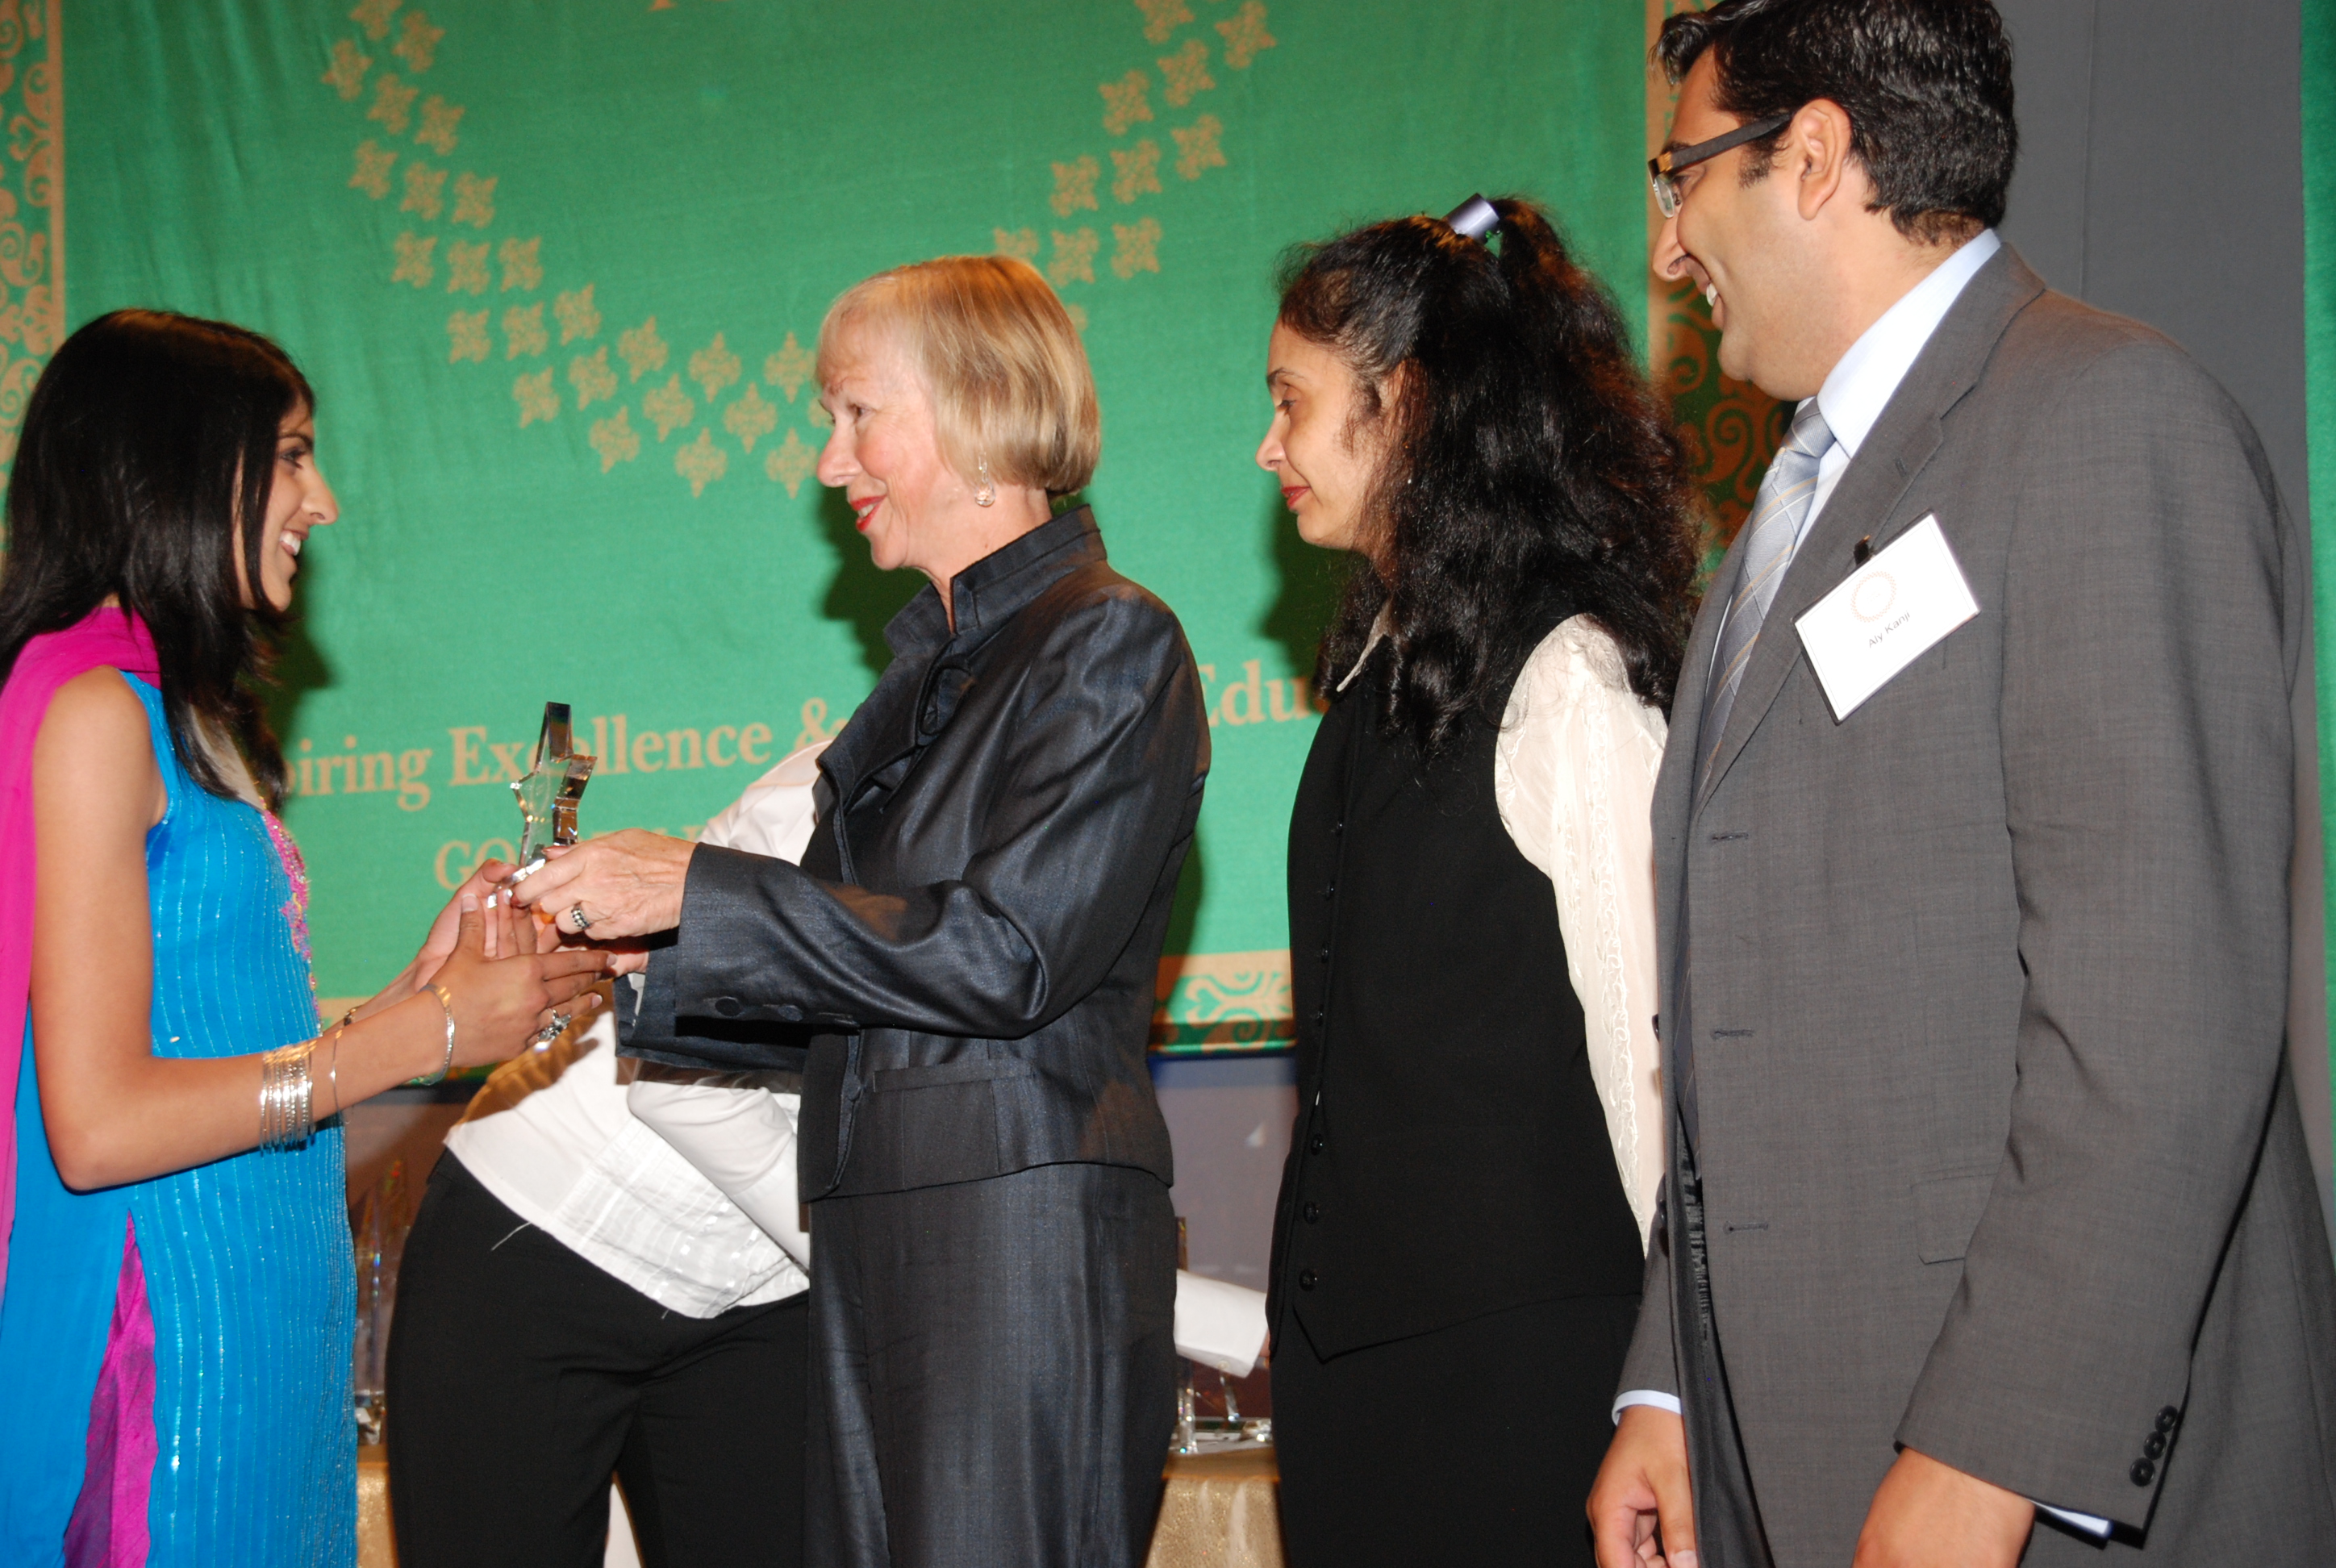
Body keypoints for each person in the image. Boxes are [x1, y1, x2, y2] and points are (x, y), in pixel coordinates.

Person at [1587, 4, 2336, 1566]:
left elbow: (2160, 1020)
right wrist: (1667, 1376)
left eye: (1681, 177)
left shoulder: (2102, 421)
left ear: (1809, 158)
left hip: (2009, 1480)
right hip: (1784, 1447)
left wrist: (1991, 1452)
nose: (1667, 252)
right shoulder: (1790, 514)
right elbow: (1731, 1022)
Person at [502, 253, 1210, 1568]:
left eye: (855, 413)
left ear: (981, 405)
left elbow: (1006, 955)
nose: (832, 463)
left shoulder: (1107, 641)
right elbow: (865, 1004)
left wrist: (698, 886)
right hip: (875, 1245)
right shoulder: (929, 673)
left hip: (1014, 1248)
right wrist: (643, 965)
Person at [0, 309, 603, 1565]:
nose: (320, 501)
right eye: (290, 454)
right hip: (170, 1397)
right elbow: (101, 1129)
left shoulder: (180, 723)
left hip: (266, 1377)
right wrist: (418, 1030)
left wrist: (426, 1019)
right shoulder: (90, 714)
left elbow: (261, 1145)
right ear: (172, 464)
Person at [1255, 198, 1699, 1566]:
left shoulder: (1568, 677)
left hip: (1533, 1395)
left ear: (1409, 404)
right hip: (1357, 1397)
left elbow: (1657, 1069)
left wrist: (1670, 1385)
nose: (1267, 445)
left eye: (1291, 402)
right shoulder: (1373, 672)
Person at [384, 741, 822, 1568]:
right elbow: (677, 1078)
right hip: (543, 1237)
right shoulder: (842, 786)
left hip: (768, 1280)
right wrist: (885, 1260)